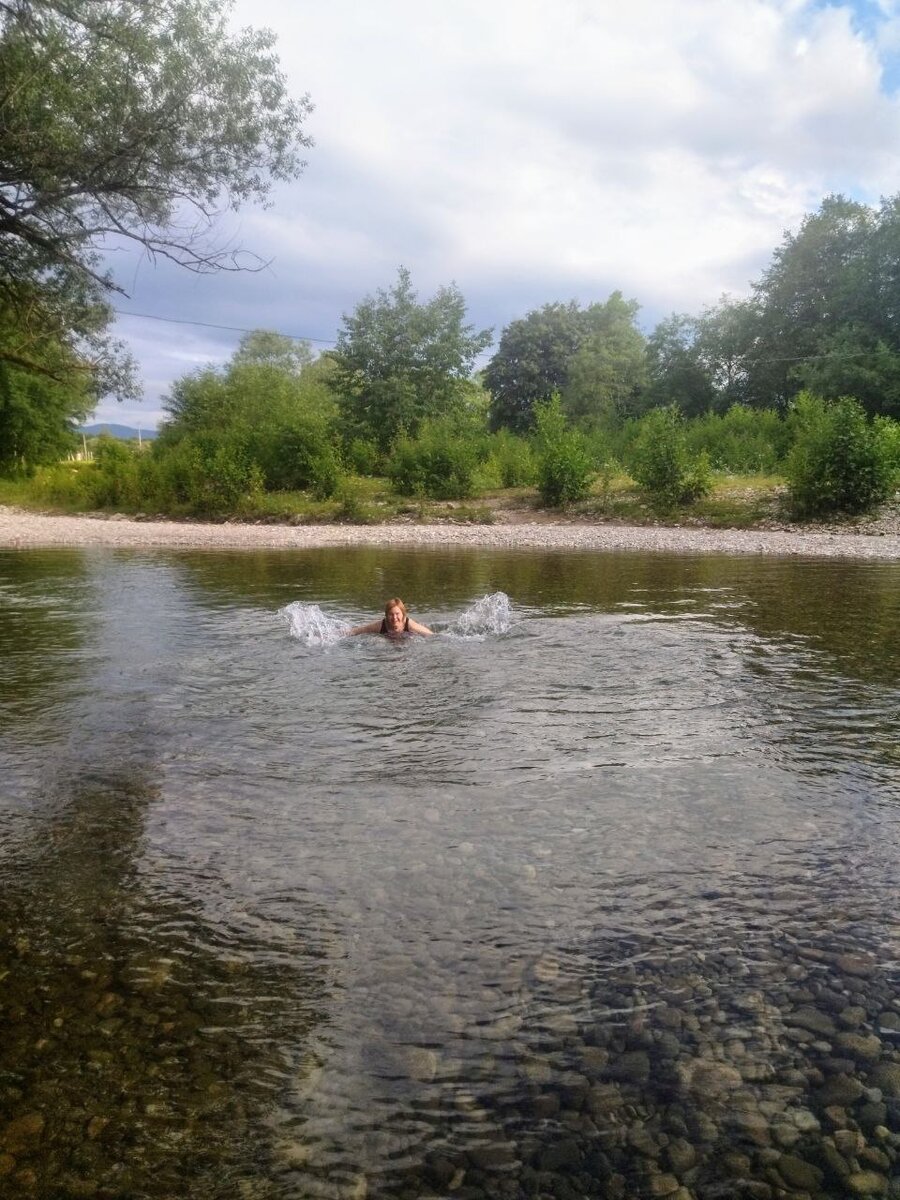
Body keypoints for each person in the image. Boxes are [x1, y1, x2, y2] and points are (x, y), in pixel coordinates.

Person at [350, 597, 434, 637]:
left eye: (397, 614)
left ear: (403, 614)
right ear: (386, 615)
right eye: (391, 614)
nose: (394, 618)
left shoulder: (409, 625)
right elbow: (360, 630)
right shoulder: (380, 626)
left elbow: (432, 636)